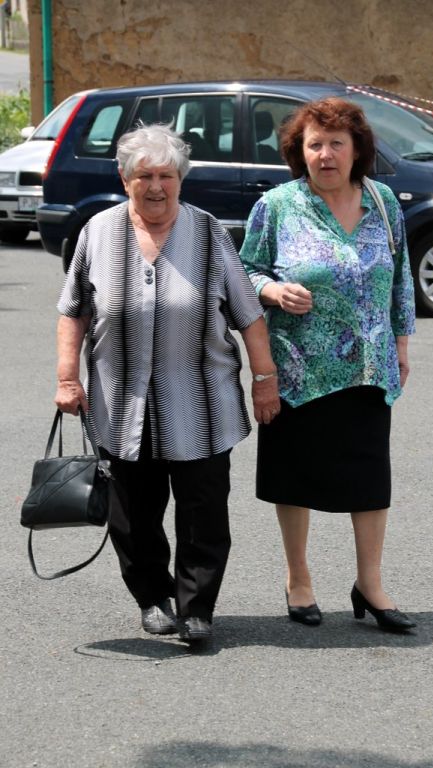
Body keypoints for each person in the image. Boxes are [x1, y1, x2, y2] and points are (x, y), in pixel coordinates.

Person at [55, 124, 280, 644]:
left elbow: (248, 313)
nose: (156, 186)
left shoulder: (208, 233)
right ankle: (153, 598)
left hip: (202, 401)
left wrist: (264, 379)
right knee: (133, 514)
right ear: (124, 178)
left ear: (181, 179)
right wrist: (67, 377)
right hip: (120, 402)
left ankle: (196, 607)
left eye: (166, 175)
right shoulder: (98, 231)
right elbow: (74, 311)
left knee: (204, 510)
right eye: (144, 176)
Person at [240, 97, 417, 633]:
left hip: (368, 367)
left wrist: (401, 344)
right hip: (299, 369)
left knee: (369, 478)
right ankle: (298, 578)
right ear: (300, 151)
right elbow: (243, 272)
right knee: (295, 477)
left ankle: (371, 583)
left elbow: (401, 277)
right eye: (314, 144)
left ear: (357, 149)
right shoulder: (277, 206)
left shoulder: (383, 202)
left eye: (336, 143)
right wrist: (272, 290)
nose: (325, 155)